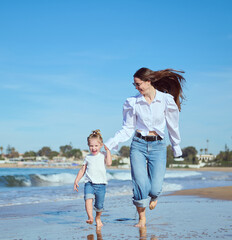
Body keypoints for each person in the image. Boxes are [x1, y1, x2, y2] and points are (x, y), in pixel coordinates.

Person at [104, 67, 185, 227]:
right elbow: (127, 128)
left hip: (158, 146)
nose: (136, 88)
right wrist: (110, 143)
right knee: (140, 183)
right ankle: (142, 219)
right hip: (138, 145)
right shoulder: (132, 102)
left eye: (138, 84)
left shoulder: (166, 100)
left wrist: (176, 146)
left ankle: (154, 197)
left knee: (154, 189)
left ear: (148, 81)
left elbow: (172, 126)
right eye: (134, 85)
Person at [74, 129, 112, 228]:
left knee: (99, 206)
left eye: (96, 146)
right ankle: (90, 217)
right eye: (91, 146)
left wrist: (108, 151)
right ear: (88, 146)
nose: (93, 148)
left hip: (101, 185)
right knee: (88, 199)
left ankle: (98, 218)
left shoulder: (103, 155)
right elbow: (82, 170)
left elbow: (109, 163)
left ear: (101, 145)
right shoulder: (87, 157)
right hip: (89, 183)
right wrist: (76, 180)